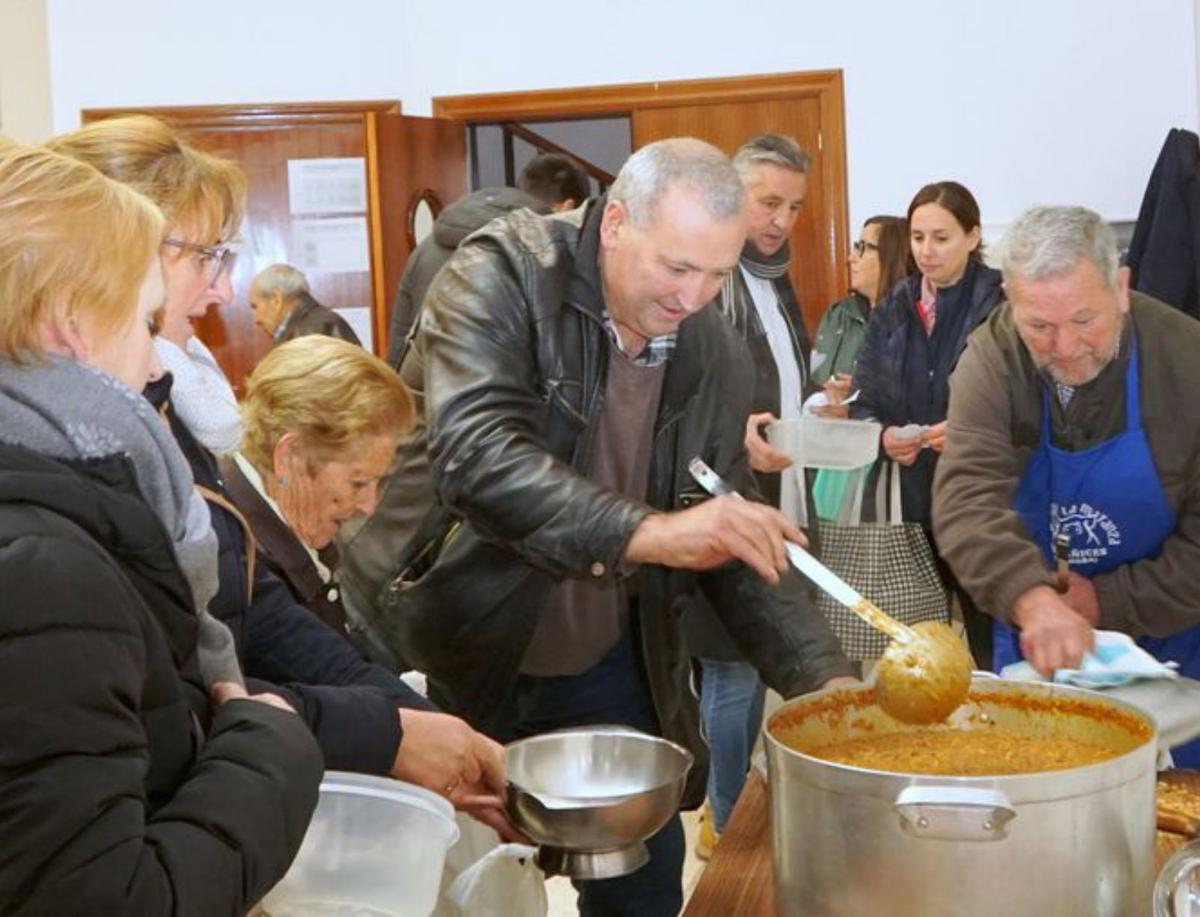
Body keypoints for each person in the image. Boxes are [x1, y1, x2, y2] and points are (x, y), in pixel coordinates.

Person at [340, 137, 855, 916]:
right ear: (614, 223)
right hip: (454, 637)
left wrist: (825, 682)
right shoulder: (501, 275)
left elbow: (726, 531)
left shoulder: (709, 347)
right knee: (457, 887)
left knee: (642, 885)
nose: (693, 297)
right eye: (676, 268)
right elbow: (477, 458)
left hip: (606, 650)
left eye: (718, 274)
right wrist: (651, 532)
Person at [48, 115, 511, 826]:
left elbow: (257, 615)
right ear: (111, 257)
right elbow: (175, 693)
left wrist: (424, 725)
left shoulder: (165, 407)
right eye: (205, 258)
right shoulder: (71, 462)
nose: (224, 292)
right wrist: (384, 730)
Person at [0, 141, 322, 913]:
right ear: (68, 322)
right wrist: (267, 746)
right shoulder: (42, 568)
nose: (156, 365)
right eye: (146, 322)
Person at [933, 205, 1200, 764]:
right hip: (1040, 631)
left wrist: (1103, 601)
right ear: (1009, 296)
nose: (1065, 347)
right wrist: (1032, 598)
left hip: (1177, 635)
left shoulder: (1186, 361)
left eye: (1084, 321)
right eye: (1040, 326)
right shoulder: (992, 359)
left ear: (1121, 288)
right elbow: (967, 498)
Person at [677, 133, 812, 858]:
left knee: (761, 666)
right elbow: (688, 393)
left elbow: (780, 374)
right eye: (768, 202)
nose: (780, 219)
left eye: (792, 206)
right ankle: (725, 821)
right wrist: (735, 433)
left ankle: (735, 805)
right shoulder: (708, 278)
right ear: (733, 193)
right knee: (730, 670)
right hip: (717, 499)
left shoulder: (775, 277)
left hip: (780, 494)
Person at [851, 180, 1003, 668]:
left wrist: (970, 431)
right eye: (918, 238)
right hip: (912, 498)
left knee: (988, 632)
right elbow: (864, 397)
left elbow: (1029, 404)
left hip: (984, 499)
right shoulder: (896, 304)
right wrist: (881, 434)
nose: (926, 251)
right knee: (920, 648)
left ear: (973, 237)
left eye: (941, 237)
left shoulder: (1002, 300)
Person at [386, 151, 592, 363]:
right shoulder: (541, 255)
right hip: (495, 390)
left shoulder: (427, 247)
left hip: (425, 387)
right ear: (565, 208)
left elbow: (400, 343)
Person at [249, 262, 362, 346]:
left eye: (255, 306)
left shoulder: (311, 333)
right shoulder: (316, 324)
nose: (256, 320)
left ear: (276, 299)